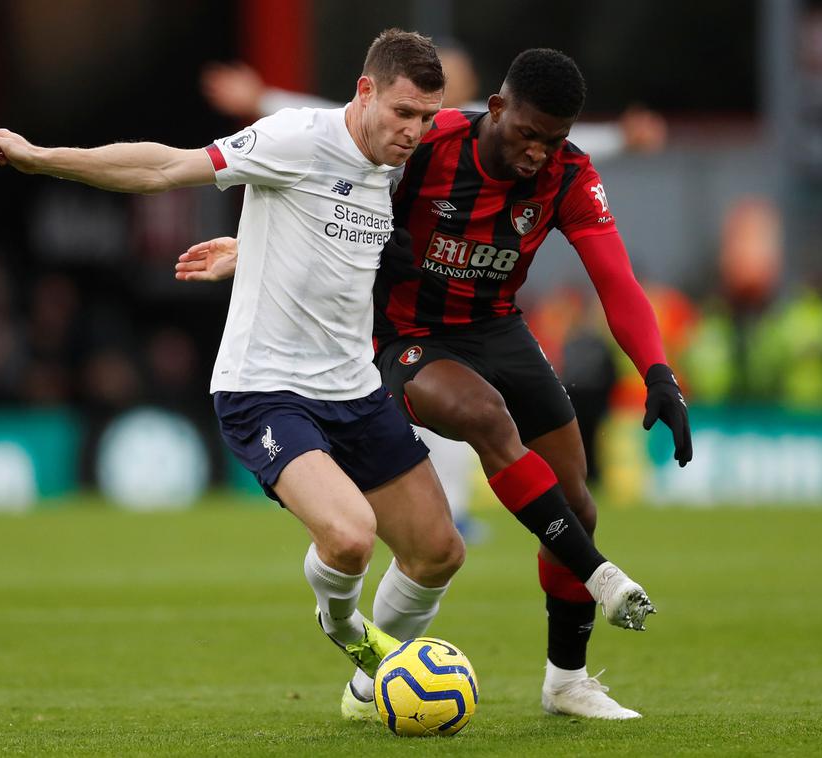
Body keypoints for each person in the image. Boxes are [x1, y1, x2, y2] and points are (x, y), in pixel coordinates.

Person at [178, 48, 692, 720]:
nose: (538, 152)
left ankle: (566, 684)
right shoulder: (430, 142)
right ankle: (600, 575)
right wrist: (252, 250)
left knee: (575, 502)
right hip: (406, 336)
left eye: (553, 139)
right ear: (498, 110)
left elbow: (616, 280)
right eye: (527, 135)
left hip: (497, 327)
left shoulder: (569, 173)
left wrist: (657, 370)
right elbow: (326, 183)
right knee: (484, 418)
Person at [0, 29, 467, 721]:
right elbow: (162, 169)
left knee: (440, 552)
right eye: (403, 114)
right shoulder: (297, 138)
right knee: (351, 536)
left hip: (352, 386)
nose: (414, 131)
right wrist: (43, 157)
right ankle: (348, 632)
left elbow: (336, 236)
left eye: (425, 118)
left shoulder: (391, 164)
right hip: (264, 388)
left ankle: (372, 690)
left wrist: (254, 245)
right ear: (364, 92)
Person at [201, 43, 668, 161]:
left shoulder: (483, 130)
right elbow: (323, 114)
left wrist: (621, 140)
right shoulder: (389, 124)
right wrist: (262, 98)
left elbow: (553, 140)